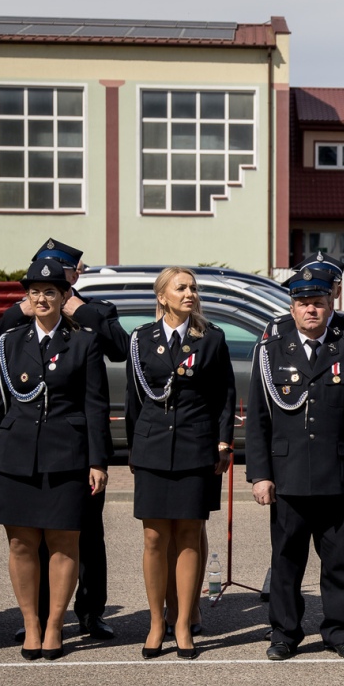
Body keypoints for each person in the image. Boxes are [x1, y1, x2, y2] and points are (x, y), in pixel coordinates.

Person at [0, 239, 127, 642]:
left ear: (72, 278)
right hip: (25, 449)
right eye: (36, 282)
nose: (43, 293)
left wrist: (80, 309)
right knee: (30, 539)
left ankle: (90, 612)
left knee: (84, 539)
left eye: (60, 276)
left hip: (69, 449)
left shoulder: (92, 314)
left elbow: (118, 350)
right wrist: (18, 309)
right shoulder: (21, 322)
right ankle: (38, 618)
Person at [248, 263, 344, 660]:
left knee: (339, 561)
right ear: (291, 308)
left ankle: (339, 632)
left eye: (318, 303)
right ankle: (284, 634)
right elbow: (257, 419)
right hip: (286, 477)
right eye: (303, 303)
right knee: (286, 561)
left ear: (330, 305)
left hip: (336, 477)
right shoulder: (271, 352)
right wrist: (260, 475)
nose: (310, 310)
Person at [126, 268, 236, 659]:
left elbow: (224, 394)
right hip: (152, 446)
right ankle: (157, 622)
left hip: (195, 446)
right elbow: (134, 398)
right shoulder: (141, 339)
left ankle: (183, 622)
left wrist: (223, 442)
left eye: (193, 288)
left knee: (190, 533)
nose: (190, 293)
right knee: (155, 537)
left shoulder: (211, 339)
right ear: (162, 296)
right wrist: (134, 450)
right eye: (181, 288)